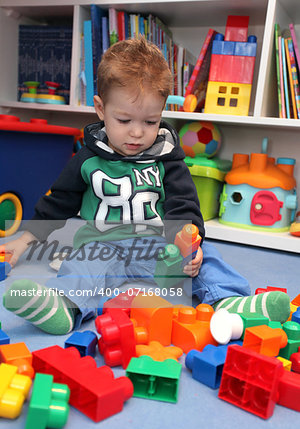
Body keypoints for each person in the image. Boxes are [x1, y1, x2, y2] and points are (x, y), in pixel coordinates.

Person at [1, 37, 290, 334]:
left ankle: (229, 300)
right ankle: (65, 305)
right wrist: (25, 241)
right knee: (81, 264)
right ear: (100, 109)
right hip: (103, 246)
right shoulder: (87, 158)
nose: (137, 133)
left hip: (158, 248)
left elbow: (185, 204)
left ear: (162, 114)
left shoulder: (167, 157)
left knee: (209, 259)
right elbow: (58, 202)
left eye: (151, 122)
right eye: (124, 120)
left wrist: (190, 244)